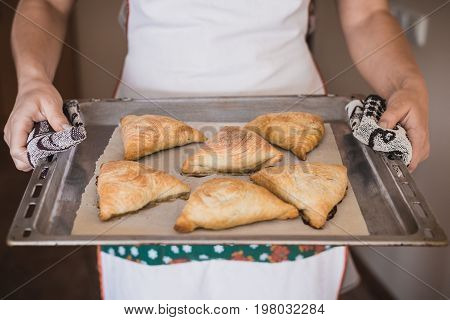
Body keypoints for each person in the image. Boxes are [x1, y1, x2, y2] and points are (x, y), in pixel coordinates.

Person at [5, 0, 429, 299]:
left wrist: (406, 85)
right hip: (143, 132)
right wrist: (32, 78)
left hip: (298, 133)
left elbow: (367, 13)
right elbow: (47, 3)